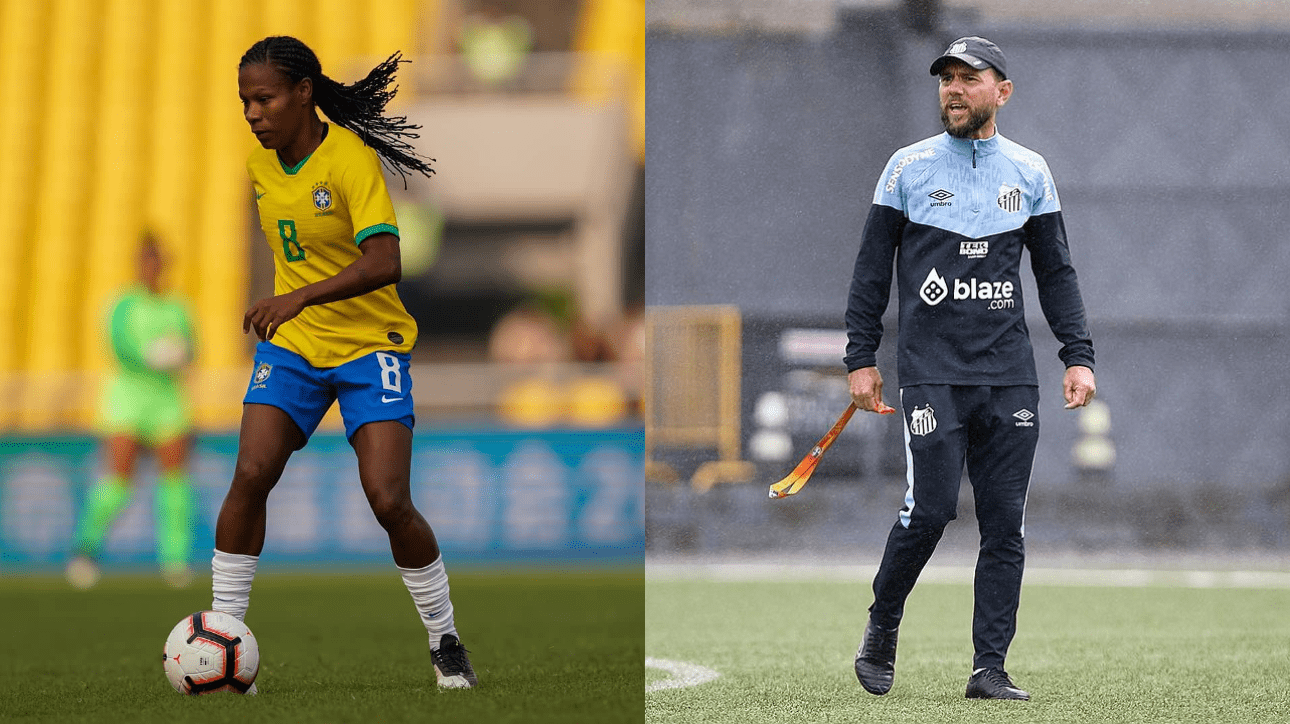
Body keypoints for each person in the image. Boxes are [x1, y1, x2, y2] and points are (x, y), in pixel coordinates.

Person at [216, 35, 476, 691]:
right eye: (245, 101)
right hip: (296, 347)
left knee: (389, 499)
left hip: (369, 347)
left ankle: (445, 640)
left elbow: (386, 261)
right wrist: (294, 308)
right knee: (251, 472)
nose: (252, 113)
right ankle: (223, 640)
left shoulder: (350, 161)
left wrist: (297, 296)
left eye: (264, 98)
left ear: (303, 93)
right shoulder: (258, 165)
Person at [844, 36, 1095, 701]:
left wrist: (1077, 354)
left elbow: (1057, 272)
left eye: (968, 78)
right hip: (932, 373)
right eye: (946, 79)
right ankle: (882, 623)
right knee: (928, 512)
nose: (953, 89)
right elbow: (870, 273)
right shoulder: (907, 167)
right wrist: (860, 358)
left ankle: (989, 668)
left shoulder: (1031, 171)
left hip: (1010, 375)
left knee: (1005, 524)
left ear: (1001, 92)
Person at [66, 233, 197, 590]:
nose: (152, 267)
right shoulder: (123, 304)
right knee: (118, 482)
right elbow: (119, 346)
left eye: (157, 260)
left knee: (175, 483)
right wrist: (154, 357)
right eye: (147, 260)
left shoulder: (178, 306)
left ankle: (175, 561)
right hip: (128, 399)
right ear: (139, 264)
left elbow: (192, 348)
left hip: (168, 400)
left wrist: (181, 354)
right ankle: (85, 550)